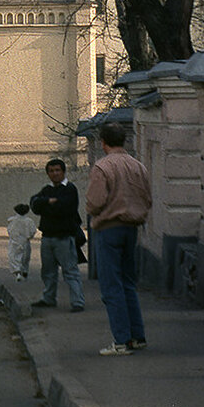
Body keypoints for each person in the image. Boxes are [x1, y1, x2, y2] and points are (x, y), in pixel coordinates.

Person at [86, 121, 152, 356]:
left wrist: (96, 211)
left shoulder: (103, 167)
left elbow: (94, 201)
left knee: (111, 286)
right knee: (127, 284)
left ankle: (121, 340)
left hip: (109, 228)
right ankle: (137, 336)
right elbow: (147, 197)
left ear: (103, 143)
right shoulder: (137, 166)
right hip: (131, 227)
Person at [29, 157, 86, 311]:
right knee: (48, 272)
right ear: (48, 173)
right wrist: (49, 202)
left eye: (57, 170)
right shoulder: (47, 190)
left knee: (70, 271)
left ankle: (77, 302)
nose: (55, 174)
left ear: (63, 172)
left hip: (64, 238)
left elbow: (65, 209)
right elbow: (34, 205)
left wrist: (46, 205)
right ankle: (48, 298)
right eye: (51, 171)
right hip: (47, 238)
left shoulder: (69, 189)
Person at [6, 203, 37, 281]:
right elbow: (33, 231)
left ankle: (18, 272)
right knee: (25, 257)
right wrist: (29, 237)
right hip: (25, 241)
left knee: (14, 256)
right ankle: (25, 270)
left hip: (14, 241)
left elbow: (10, 230)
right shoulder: (29, 221)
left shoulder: (12, 220)